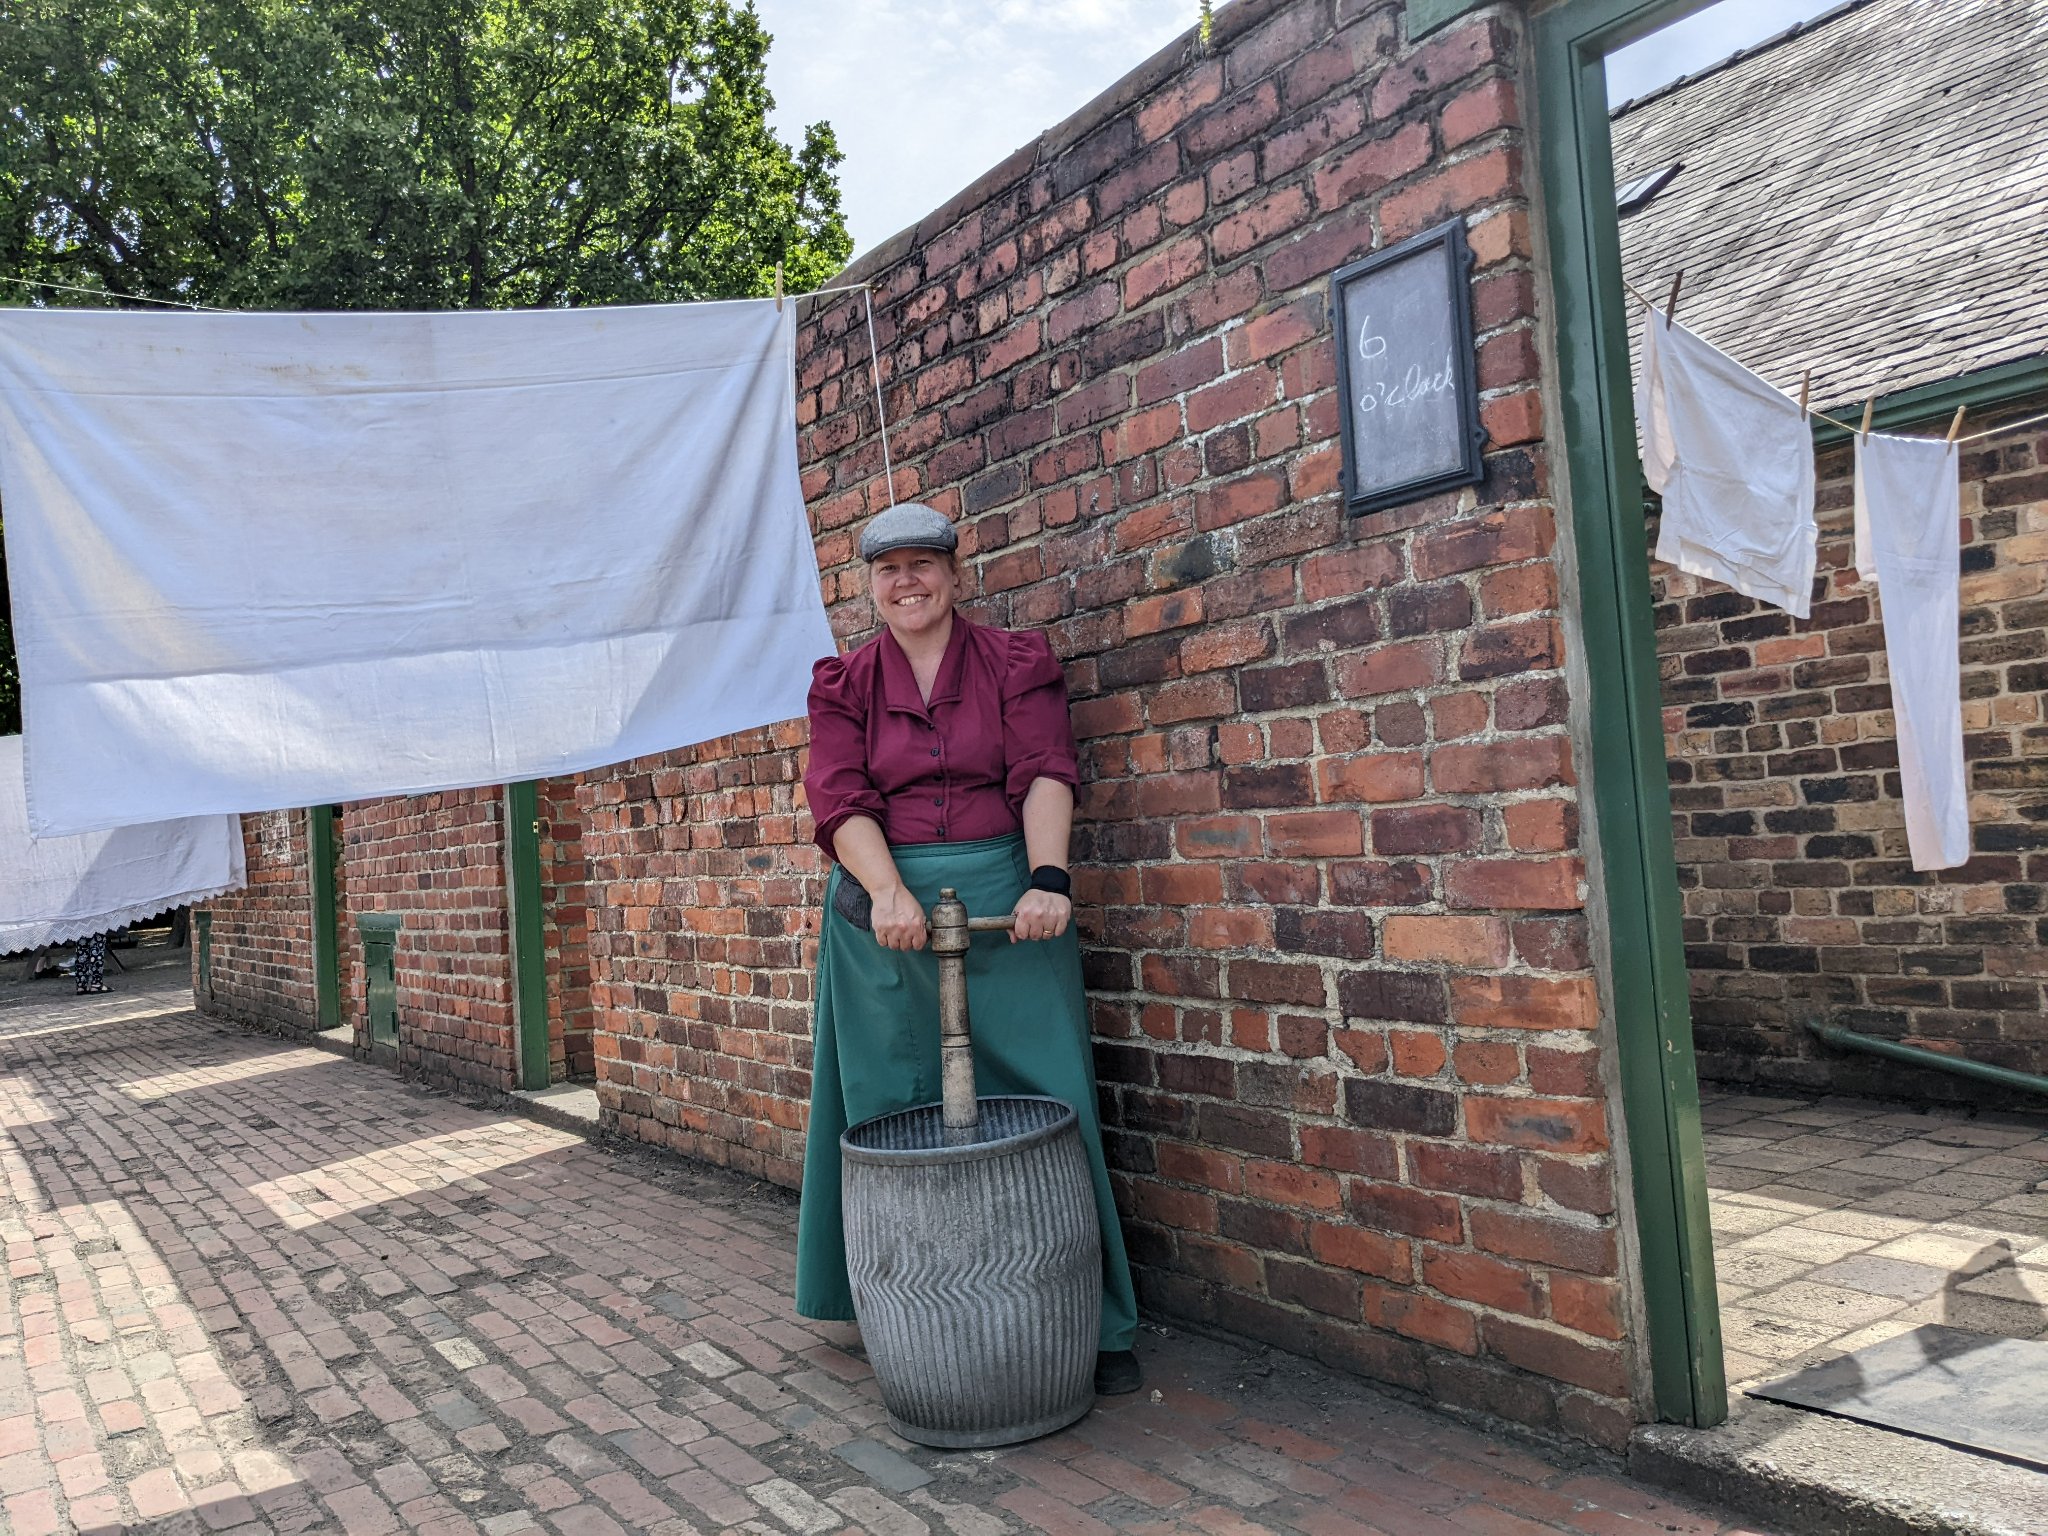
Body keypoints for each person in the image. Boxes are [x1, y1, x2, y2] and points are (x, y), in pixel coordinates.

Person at [795, 501, 1142, 1397]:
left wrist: (1049, 881)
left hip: (1008, 899)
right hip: (884, 908)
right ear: (870, 588)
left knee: (1048, 1093)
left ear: (955, 574)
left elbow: (1044, 770)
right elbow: (839, 800)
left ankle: (1092, 1322)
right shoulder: (843, 684)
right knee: (887, 1104)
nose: (906, 583)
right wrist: (887, 894)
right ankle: (901, 1313)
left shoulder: (1015, 664)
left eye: (922, 565)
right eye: (887, 570)